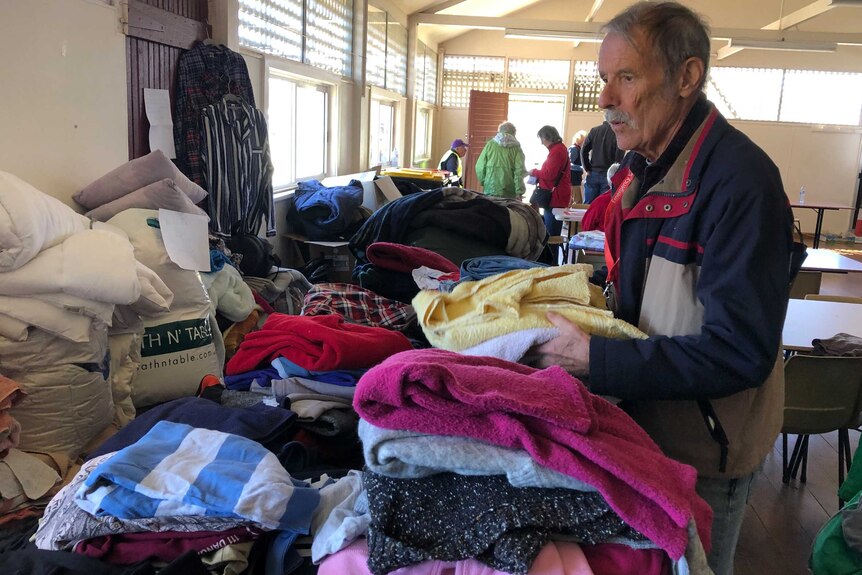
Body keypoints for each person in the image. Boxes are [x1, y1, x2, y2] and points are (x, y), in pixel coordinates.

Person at [527, 3, 794, 574]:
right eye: (604, 80)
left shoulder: (741, 184)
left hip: (704, 451)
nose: (605, 99)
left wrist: (595, 360)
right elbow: (648, 299)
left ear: (686, 77)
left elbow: (740, 349)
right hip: (642, 433)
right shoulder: (646, 170)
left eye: (627, 78)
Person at [529, 125, 571, 238]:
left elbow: (550, 174)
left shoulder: (556, 151)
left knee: (551, 236)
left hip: (555, 197)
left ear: (548, 137)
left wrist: (534, 172)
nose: (542, 143)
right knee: (551, 232)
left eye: (542, 139)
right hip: (557, 195)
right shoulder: (559, 149)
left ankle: (551, 255)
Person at [475, 121, 528, 200]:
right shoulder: (516, 148)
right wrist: (519, 191)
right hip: (509, 191)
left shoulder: (490, 144)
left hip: (490, 188)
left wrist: (484, 181)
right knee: (506, 212)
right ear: (514, 133)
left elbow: (479, 166)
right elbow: (519, 171)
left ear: (499, 131)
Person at [581, 121, 624, 203]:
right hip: (608, 174)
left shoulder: (594, 130)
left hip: (593, 172)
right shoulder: (616, 133)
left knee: (588, 205)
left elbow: (584, 150)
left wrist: (587, 168)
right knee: (604, 204)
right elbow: (619, 156)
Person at [568, 130, 588, 205]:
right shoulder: (574, 149)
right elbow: (569, 165)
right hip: (573, 179)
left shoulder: (577, 149)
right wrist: (582, 168)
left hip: (575, 179)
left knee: (573, 200)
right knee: (577, 201)